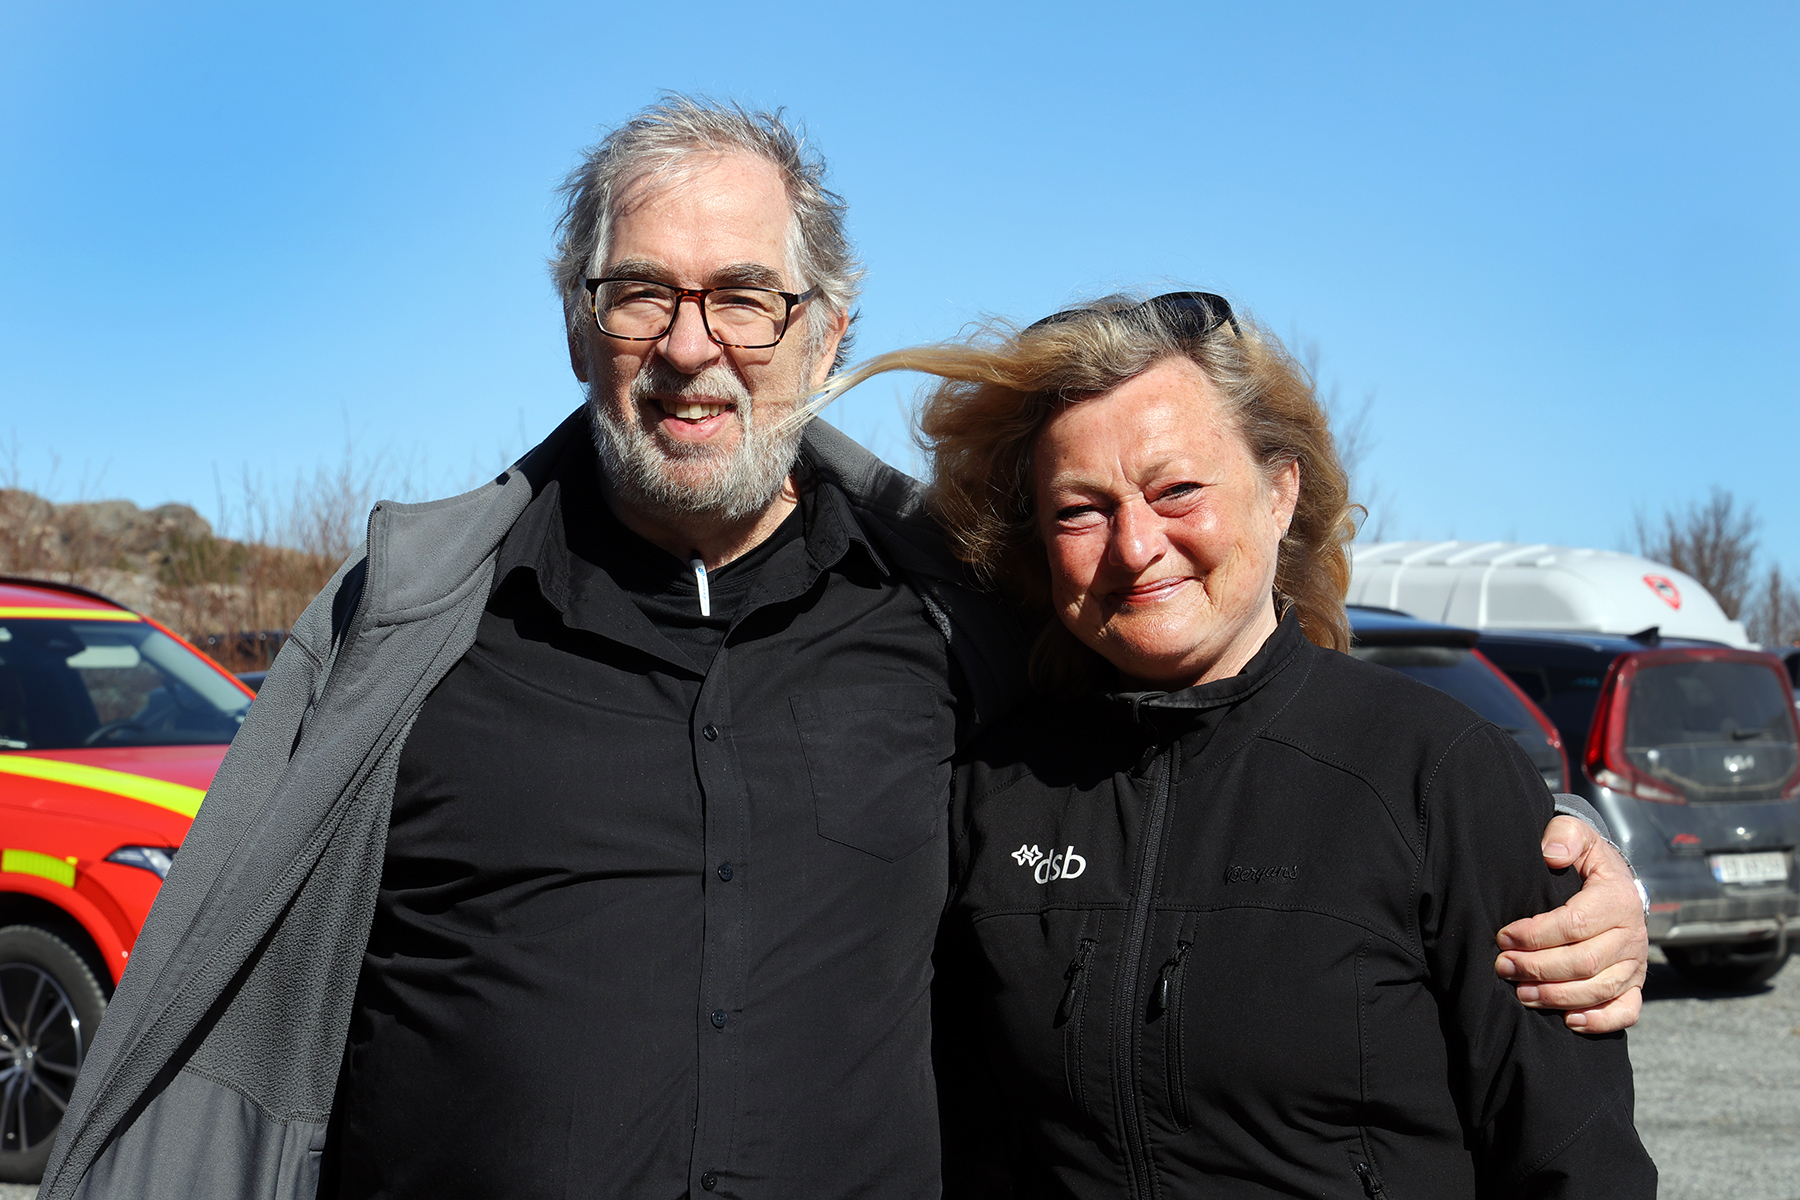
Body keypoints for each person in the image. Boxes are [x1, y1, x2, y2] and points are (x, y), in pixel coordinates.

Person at [40, 103, 1646, 1200]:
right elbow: (220, 987)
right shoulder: (413, 627)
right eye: (641, 293)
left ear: (825, 328)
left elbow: (1217, 740)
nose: (692, 347)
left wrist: (1580, 879)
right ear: (574, 317)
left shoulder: (950, 631)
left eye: (746, 295)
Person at [833, 292, 1657, 1196]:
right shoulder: (990, 790)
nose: (1136, 545)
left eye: (1177, 489)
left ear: (1279, 489)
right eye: (1081, 510)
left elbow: (1576, 1163)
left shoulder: (1434, 774)